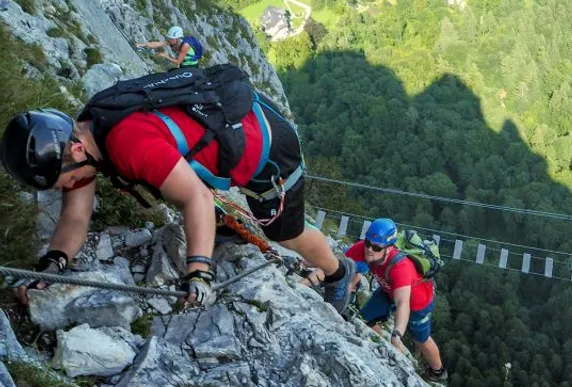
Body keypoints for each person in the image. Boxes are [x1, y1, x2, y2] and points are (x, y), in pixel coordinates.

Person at [0, 76, 355, 309]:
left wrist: (199, 272)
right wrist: (52, 265)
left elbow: (195, 197)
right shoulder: (87, 132)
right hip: (231, 133)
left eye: (54, 180)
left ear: (74, 152)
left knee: (285, 233)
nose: (60, 187)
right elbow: (75, 216)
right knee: (187, 192)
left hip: (267, 149)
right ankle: (221, 227)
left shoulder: (126, 143)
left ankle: (338, 274)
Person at [345, 218, 447, 382]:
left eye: (377, 247)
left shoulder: (401, 267)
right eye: (368, 243)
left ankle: (438, 372)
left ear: (389, 248)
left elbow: (403, 303)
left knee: (420, 338)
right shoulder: (365, 249)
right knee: (365, 319)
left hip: (418, 301)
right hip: (389, 289)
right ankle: (384, 345)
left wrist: (397, 334)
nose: (370, 249)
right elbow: (338, 264)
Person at [137, 26, 203, 68]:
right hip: (184, 65)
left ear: (177, 38)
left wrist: (165, 56)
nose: (169, 40)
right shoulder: (173, 41)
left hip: (191, 66)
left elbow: (178, 62)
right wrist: (142, 45)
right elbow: (157, 44)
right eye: (169, 38)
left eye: (171, 39)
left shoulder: (185, 45)